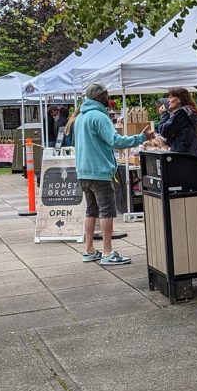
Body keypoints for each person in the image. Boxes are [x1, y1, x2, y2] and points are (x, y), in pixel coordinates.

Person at [75, 82, 156, 265]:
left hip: (83, 171)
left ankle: (88, 250)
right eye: (106, 94)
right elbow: (115, 141)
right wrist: (141, 137)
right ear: (100, 96)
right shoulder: (99, 117)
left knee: (91, 211)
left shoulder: (80, 117)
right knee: (106, 212)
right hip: (100, 172)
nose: (109, 97)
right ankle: (107, 252)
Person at [155, 87, 197, 157]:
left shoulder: (182, 113)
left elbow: (164, 131)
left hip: (182, 156)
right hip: (189, 154)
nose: (168, 100)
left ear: (179, 99)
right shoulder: (188, 112)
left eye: (171, 97)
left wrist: (164, 114)